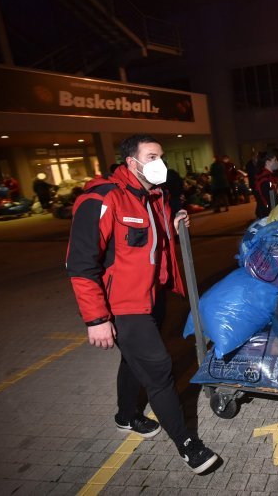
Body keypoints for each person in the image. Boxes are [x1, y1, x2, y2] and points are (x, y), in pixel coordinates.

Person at [66, 134, 219, 474]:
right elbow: (80, 264)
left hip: (152, 296)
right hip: (122, 305)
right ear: (131, 162)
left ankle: (126, 415)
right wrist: (96, 320)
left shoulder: (154, 195)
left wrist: (175, 221)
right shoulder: (102, 198)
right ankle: (187, 444)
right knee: (160, 370)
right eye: (152, 156)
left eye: (161, 155)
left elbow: (156, 238)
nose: (159, 162)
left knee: (134, 360)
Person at [254, 152, 278, 218]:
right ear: (268, 162)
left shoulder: (271, 176)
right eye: (275, 160)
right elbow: (271, 201)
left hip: (268, 212)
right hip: (268, 214)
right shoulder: (265, 179)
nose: (277, 162)